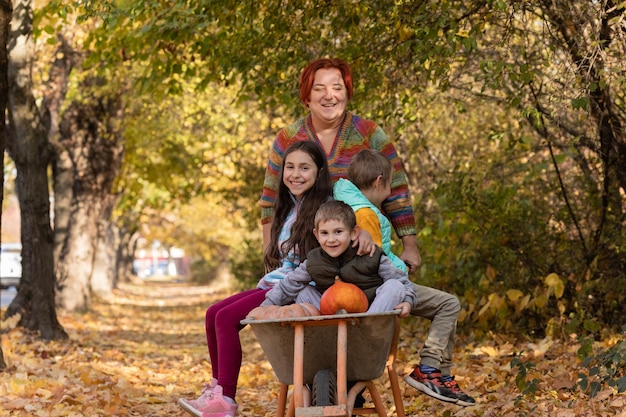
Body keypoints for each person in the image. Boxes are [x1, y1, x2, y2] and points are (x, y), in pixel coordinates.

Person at [178, 141, 333, 417]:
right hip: (278, 281)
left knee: (226, 319)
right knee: (214, 312)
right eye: (290, 167)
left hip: (297, 287)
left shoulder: (324, 208)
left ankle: (225, 399)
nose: (295, 174)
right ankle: (216, 390)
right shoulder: (291, 208)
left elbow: (321, 258)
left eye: (304, 168)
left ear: (319, 172)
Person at [334, 149, 476, 406]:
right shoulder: (365, 214)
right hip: (379, 289)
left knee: (446, 305)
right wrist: (399, 271)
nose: (389, 193)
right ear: (379, 181)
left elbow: (377, 253)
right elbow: (371, 262)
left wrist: (399, 260)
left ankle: (439, 376)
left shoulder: (346, 204)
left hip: (368, 287)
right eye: (389, 186)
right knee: (449, 304)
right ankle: (430, 371)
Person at [259, 57, 421, 270]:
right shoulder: (287, 139)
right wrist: (270, 255)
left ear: (347, 94)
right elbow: (271, 201)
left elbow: (396, 191)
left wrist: (409, 245)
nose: (329, 96)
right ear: (306, 97)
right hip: (305, 259)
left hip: (363, 256)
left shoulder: (370, 134)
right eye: (319, 89)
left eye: (337, 88)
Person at [261, 200, 416, 316]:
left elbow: (402, 281)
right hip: (332, 316)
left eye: (338, 232)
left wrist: (408, 301)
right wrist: (265, 307)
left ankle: (367, 332)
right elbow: (288, 285)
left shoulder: (370, 254)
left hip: (369, 311)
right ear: (316, 235)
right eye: (325, 233)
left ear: (354, 232)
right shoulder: (314, 261)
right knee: (303, 292)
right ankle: (327, 339)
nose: (331, 239)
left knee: (395, 285)